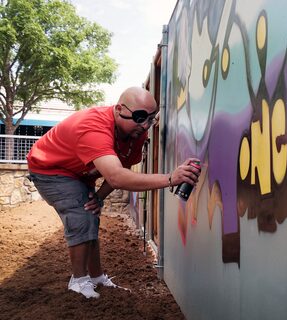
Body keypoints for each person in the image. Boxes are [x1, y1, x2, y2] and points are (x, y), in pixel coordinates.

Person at [26, 87, 200, 299]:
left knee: (91, 216)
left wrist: (99, 197)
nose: (145, 125)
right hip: (50, 170)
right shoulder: (94, 127)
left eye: (151, 118)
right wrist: (172, 178)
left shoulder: (135, 133)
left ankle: (97, 277)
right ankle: (79, 282)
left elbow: (120, 170)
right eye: (139, 117)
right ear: (119, 110)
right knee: (81, 216)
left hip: (80, 174)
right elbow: (117, 176)